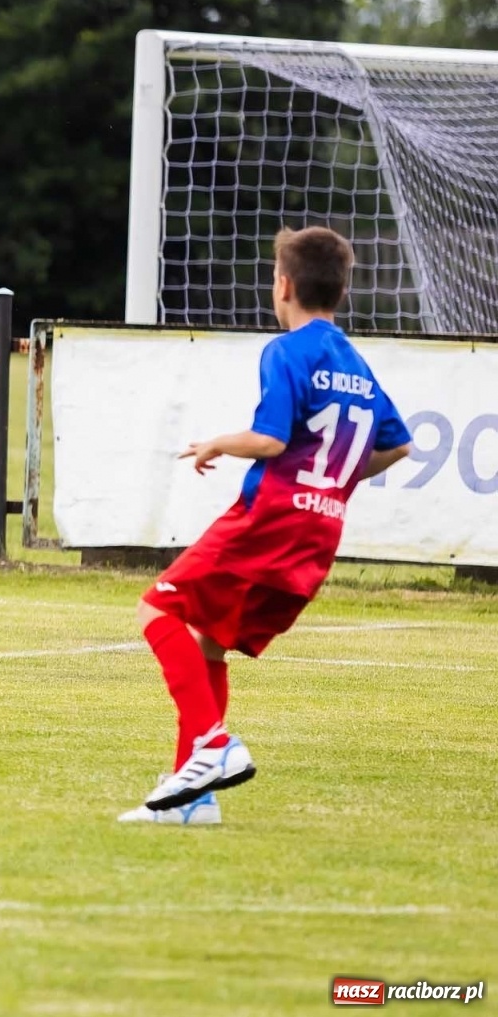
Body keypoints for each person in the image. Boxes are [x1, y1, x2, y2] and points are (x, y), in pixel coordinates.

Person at [120, 226, 412, 824]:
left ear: (283, 284)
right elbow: (397, 445)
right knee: (209, 638)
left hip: (271, 518)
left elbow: (272, 438)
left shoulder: (286, 351)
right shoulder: (355, 362)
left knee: (157, 610)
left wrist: (217, 444)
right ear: (341, 290)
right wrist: (332, 481)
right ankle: (191, 798)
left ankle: (214, 745)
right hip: (320, 531)